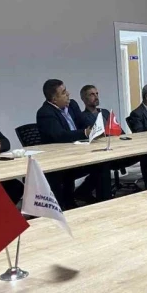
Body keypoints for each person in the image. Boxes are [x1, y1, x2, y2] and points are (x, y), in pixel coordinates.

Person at [36, 79, 112, 209]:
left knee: (103, 163)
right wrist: (84, 133)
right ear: (54, 99)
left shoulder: (72, 105)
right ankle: (70, 202)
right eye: (63, 92)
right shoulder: (45, 113)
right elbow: (60, 136)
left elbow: (83, 122)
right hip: (60, 161)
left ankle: (104, 203)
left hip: (79, 153)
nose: (68, 94)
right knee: (99, 165)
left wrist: (95, 129)